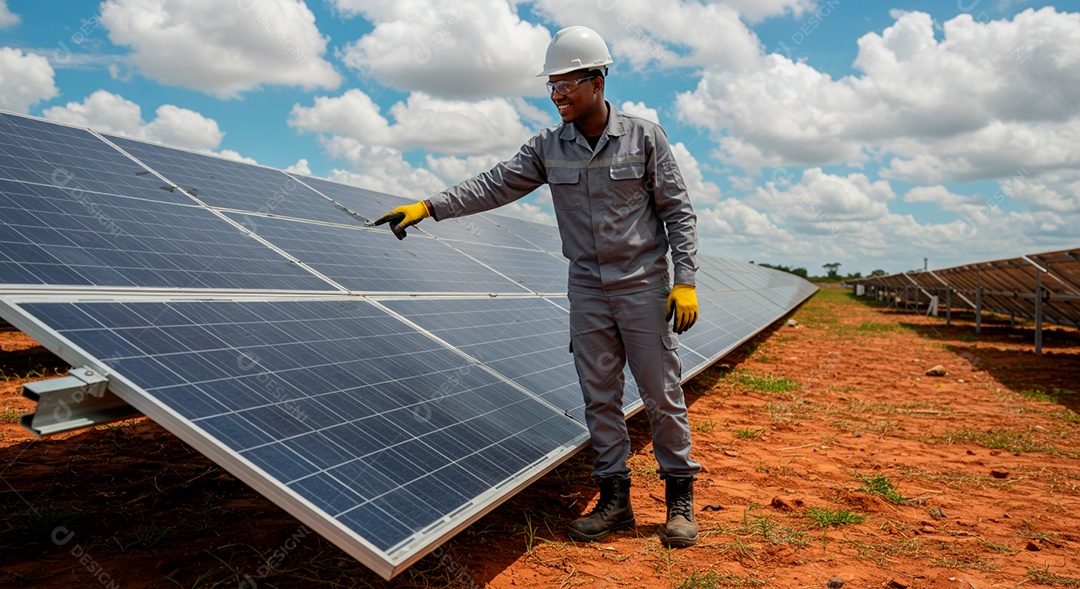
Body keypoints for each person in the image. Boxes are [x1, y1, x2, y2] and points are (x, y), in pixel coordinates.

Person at [373, 25, 701, 547]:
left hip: (643, 285)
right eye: (551, 86)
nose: (557, 95)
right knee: (600, 397)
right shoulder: (548, 147)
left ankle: (679, 500)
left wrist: (684, 282)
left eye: (567, 83)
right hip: (588, 288)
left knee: (661, 393)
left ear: (597, 82)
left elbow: (678, 213)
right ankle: (615, 501)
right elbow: (494, 184)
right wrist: (428, 207)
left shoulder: (645, 138)